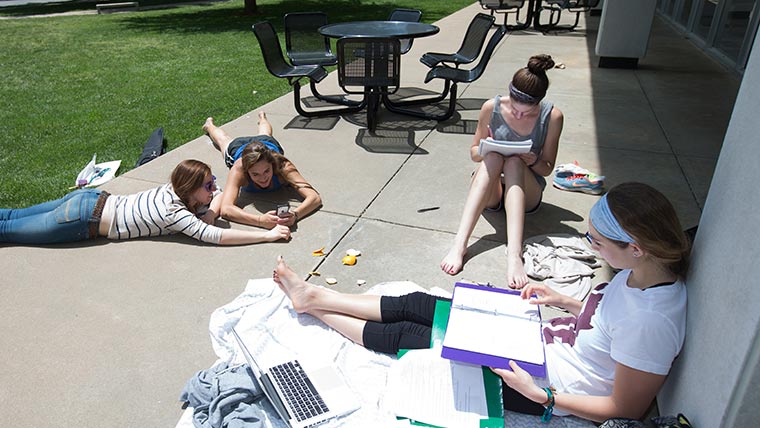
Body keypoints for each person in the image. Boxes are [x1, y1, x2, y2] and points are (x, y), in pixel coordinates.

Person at [273, 182, 690, 423]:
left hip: (540, 381)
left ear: (635, 247)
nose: (591, 247)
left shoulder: (652, 322)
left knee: (416, 339)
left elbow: (625, 409)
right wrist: (562, 299)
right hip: (536, 344)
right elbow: (606, 326)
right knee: (421, 302)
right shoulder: (639, 277)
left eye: (596, 242)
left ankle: (313, 307)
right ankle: (315, 295)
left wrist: (542, 397)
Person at [440, 54, 564, 289]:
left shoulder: (553, 116)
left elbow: (547, 169)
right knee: (494, 156)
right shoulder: (491, 107)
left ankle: (514, 255)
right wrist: (487, 149)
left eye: (527, 112)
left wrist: (533, 159)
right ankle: (460, 244)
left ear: (539, 102)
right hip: (492, 188)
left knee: (515, 162)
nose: (518, 115)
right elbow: (474, 152)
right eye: (515, 109)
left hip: (527, 190)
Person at [0, 159, 291, 245]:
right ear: (190, 190)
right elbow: (215, 237)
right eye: (208, 184)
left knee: (12, 215)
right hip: (81, 220)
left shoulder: (173, 190)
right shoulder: (174, 212)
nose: (215, 188)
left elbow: (214, 202)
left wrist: (212, 212)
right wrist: (265, 236)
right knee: (8, 231)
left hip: (87, 199)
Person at [203, 112, 322, 229]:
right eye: (255, 174)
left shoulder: (282, 166)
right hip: (239, 148)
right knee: (223, 140)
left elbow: (314, 197)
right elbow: (226, 209)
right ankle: (209, 125)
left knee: (265, 133)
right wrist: (260, 220)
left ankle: (262, 117)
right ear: (247, 171)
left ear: (272, 165)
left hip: (266, 144)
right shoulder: (239, 169)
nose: (263, 178)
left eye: (266, 171)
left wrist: (295, 215)